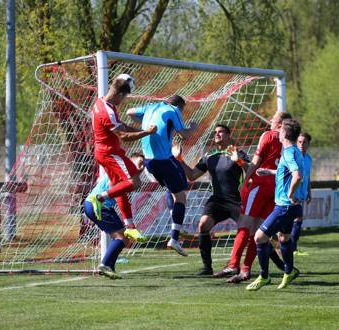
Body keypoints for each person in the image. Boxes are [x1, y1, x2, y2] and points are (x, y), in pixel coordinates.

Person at [222, 111, 292, 284]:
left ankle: (233, 264)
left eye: (273, 118)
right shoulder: (291, 144)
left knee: (244, 224)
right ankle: (246, 269)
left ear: (280, 123)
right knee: (258, 231)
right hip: (277, 188)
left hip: (260, 185)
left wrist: (246, 180)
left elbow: (256, 162)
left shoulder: (268, 135)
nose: (270, 120)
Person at [126, 95, 198, 256]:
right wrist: (193, 127)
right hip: (163, 160)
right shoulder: (173, 110)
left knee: (172, 190)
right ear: (180, 106)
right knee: (181, 196)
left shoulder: (151, 107)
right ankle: (175, 236)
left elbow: (130, 112)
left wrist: (146, 126)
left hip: (149, 162)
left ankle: (176, 224)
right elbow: (184, 135)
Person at [88, 74, 157, 243]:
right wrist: (146, 133)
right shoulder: (108, 112)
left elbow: (123, 127)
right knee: (135, 182)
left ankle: (130, 226)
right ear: (120, 95)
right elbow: (124, 136)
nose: (123, 101)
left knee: (121, 187)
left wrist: (138, 129)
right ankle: (99, 198)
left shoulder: (101, 103)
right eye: (124, 98)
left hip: (103, 152)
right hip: (110, 153)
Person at [177, 124, 250, 276]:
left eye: (221, 132)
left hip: (236, 200)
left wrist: (240, 162)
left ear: (229, 135)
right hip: (217, 200)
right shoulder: (209, 157)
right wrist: (179, 159)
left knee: (252, 232)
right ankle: (207, 268)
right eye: (215, 132)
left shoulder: (239, 153)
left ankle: (278, 264)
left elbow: (250, 172)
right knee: (203, 224)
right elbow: (191, 175)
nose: (217, 134)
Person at [246, 119, 304, 291]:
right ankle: (289, 271)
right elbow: (287, 172)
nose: (278, 132)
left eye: (280, 129)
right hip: (291, 206)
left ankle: (264, 276)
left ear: (285, 134)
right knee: (283, 238)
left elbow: (297, 175)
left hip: (285, 206)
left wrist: (290, 193)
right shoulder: (294, 151)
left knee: (259, 237)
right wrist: (270, 172)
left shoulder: (288, 153)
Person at [83, 153, 147, 279]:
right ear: (130, 163)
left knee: (122, 237)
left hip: (100, 206)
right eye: (139, 163)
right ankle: (105, 264)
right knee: (122, 237)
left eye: (143, 166)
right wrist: (129, 224)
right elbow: (118, 196)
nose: (141, 168)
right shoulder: (120, 174)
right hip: (98, 206)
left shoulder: (125, 176)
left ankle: (110, 268)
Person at [291, 132, 313, 256]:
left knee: (297, 219)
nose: (301, 144)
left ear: (308, 144)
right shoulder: (292, 156)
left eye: (304, 142)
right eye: (299, 142)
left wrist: (309, 192)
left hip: (302, 194)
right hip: (291, 194)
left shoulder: (308, 159)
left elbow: (307, 177)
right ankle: (291, 248)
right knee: (295, 219)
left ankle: (292, 248)